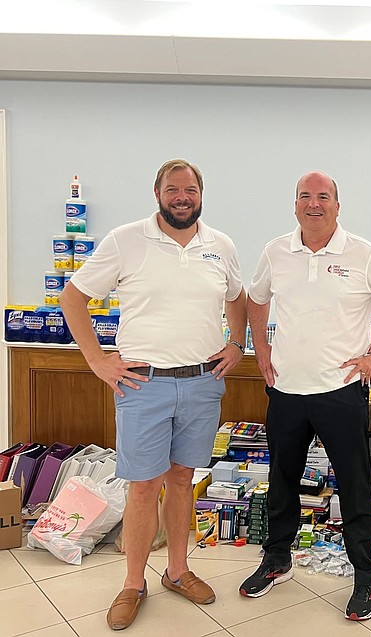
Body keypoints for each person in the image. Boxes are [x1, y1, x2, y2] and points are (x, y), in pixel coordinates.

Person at [59, 159, 247, 631]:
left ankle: (177, 571)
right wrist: (98, 361)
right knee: (143, 487)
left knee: (182, 480)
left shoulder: (219, 245)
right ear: (158, 193)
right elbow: (73, 297)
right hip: (142, 384)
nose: (181, 197)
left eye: (190, 189)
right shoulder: (126, 239)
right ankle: (133, 583)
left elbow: (239, 296)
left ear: (201, 193)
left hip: (203, 382)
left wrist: (237, 341)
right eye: (172, 189)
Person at [240, 171, 371, 621]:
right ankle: (277, 560)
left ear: (338, 206)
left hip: (340, 392)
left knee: (356, 486)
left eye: (323, 197)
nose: (313, 204)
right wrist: (260, 348)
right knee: (282, 480)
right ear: (294, 203)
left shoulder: (363, 254)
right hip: (285, 390)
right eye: (305, 196)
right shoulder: (276, 251)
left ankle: (364, 575)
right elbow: (256, 298)